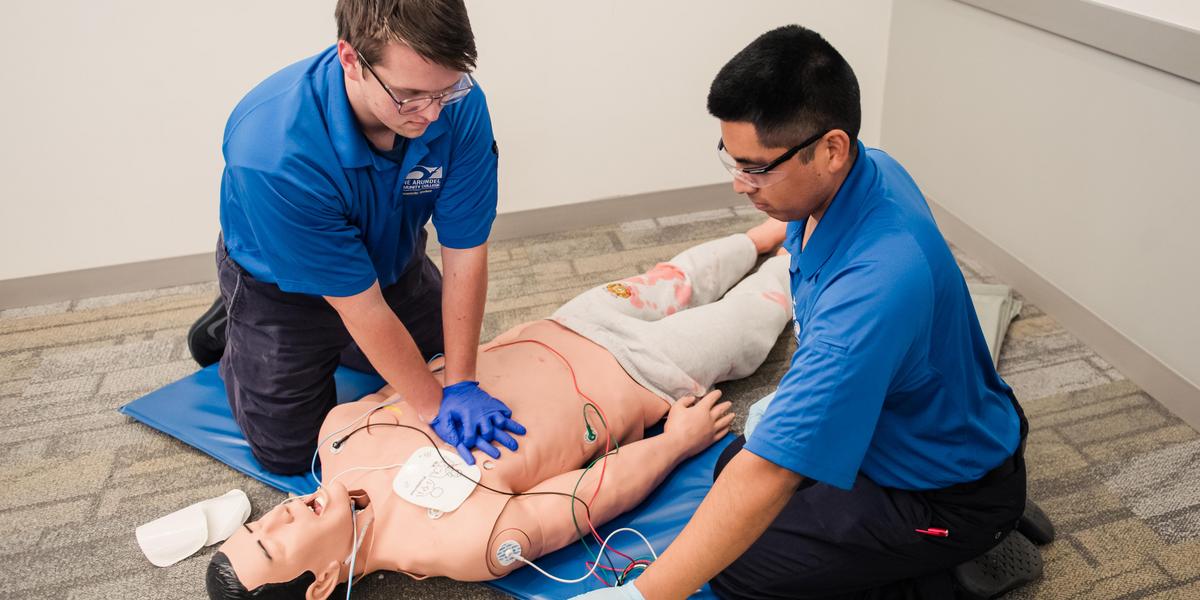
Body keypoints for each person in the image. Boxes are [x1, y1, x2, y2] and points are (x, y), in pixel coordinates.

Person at [577, 25, 1029, 600]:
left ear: (831, 149)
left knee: (737, 567)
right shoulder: (862, 174)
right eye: (732, 160)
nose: (740, 185)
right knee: (730, 470)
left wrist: (639, 596)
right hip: (919, 430)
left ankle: (961, 562)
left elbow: (772, 472)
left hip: (945, 494)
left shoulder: (877, 285)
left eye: (756, 168)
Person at [205, 221, 795, 598]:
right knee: (749, 319)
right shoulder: (466, 545)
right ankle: (801, 253)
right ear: (322, 584)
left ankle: (763, 235)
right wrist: (674, 442)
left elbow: (416, 372)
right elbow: (586, 497)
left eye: (258, 524)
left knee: (676, 278)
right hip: (644, 375)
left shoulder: (338, 435)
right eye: (271, 544)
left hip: (566, 326)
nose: (277, 516)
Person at [186, 0, 525, 475]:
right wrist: (432, 407)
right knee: (294, 454)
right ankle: (235, 326)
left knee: (442, 361)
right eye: (409, 95)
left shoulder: (458, 102)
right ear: (351, 59)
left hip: (391, 262)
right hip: (281, 290)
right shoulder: (272, 149)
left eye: (444, 91)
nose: (431, 113)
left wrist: (461, 383)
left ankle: (352, 342)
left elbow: (465, 253)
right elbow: (361, 308)